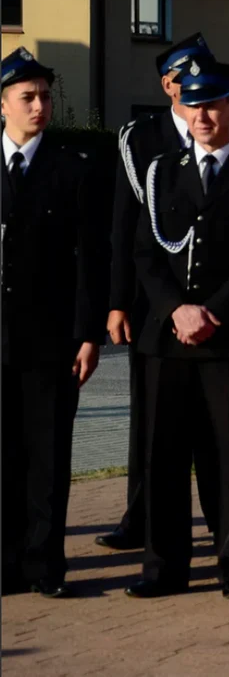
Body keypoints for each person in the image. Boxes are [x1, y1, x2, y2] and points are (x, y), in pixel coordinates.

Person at [125, 60, 229, 599]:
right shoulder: (160, 170)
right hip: (167, 339)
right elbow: (145, 253)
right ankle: (163, 568)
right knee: (163, 458)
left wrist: (212, 312)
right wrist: (176, 309)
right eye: (193, 104)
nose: (202, 114)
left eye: (214, 103)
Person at [97, 33, 229, 552]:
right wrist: (118, 300)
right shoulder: (140, 139)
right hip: (156, 302)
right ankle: (142, 517)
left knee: (220, 430)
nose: (198, 100)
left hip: (220, 306)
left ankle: (222, 523)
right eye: (184, 83)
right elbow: (126, 228)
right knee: (154, 427)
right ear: (168, 85)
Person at [0, 48, 109, 598]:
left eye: (45, 95)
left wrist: (88, 333)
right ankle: (7, 563)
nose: (40, 105)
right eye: (28, 97)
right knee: (4, 457)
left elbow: (90, 259)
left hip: (51, 340)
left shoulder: (73, 169)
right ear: (3, 105)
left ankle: (45, 565)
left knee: (47, 456)